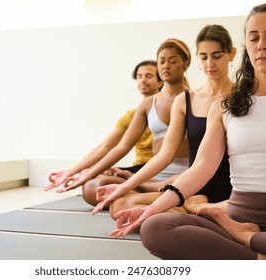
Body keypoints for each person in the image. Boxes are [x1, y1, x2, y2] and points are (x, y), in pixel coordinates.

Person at [110, 2, 266, 260]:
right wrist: (152, 209)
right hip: (237, 213)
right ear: (246, 45)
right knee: (156, 228)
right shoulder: (225, 106)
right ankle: (262, 257)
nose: (261, 45)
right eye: (254, 38)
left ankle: (245, 238)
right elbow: (200, 168)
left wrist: (242, 234)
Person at [92, 24, 236, 218]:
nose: (210, 63)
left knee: (149, 212)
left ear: (231, 54)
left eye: (217, 56)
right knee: (120, 206)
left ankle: (199, 210)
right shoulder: (186, 100)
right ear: (197, 57)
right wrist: (127, 184)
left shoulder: (242, 96)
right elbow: (165, 154)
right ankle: (196, 211)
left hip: (228, 186)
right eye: (204, 57)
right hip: (193, 183)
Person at [51, 38, 192, 204]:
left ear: (185, 63)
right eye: (162, 61)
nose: (166, 66)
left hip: (184, 175)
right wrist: (83, 174)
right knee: (92, 189)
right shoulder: (147, 105)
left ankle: (148, 195)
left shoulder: (195, 99)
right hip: (153, 175)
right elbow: (121, 146)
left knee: (125, 199)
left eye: (173, 61)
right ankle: (150, 194)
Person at [44, 60, 162, 197]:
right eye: (139, 76)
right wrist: (70, 172)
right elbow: (104, 147)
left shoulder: (170, 109)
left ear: (160, 82)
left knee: (96, 184)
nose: (142, 80)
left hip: (157, 168)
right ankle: (137, 187)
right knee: (88, 175)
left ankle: (140, 188)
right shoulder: (131, 116)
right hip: (137, 168)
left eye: (148, 76)